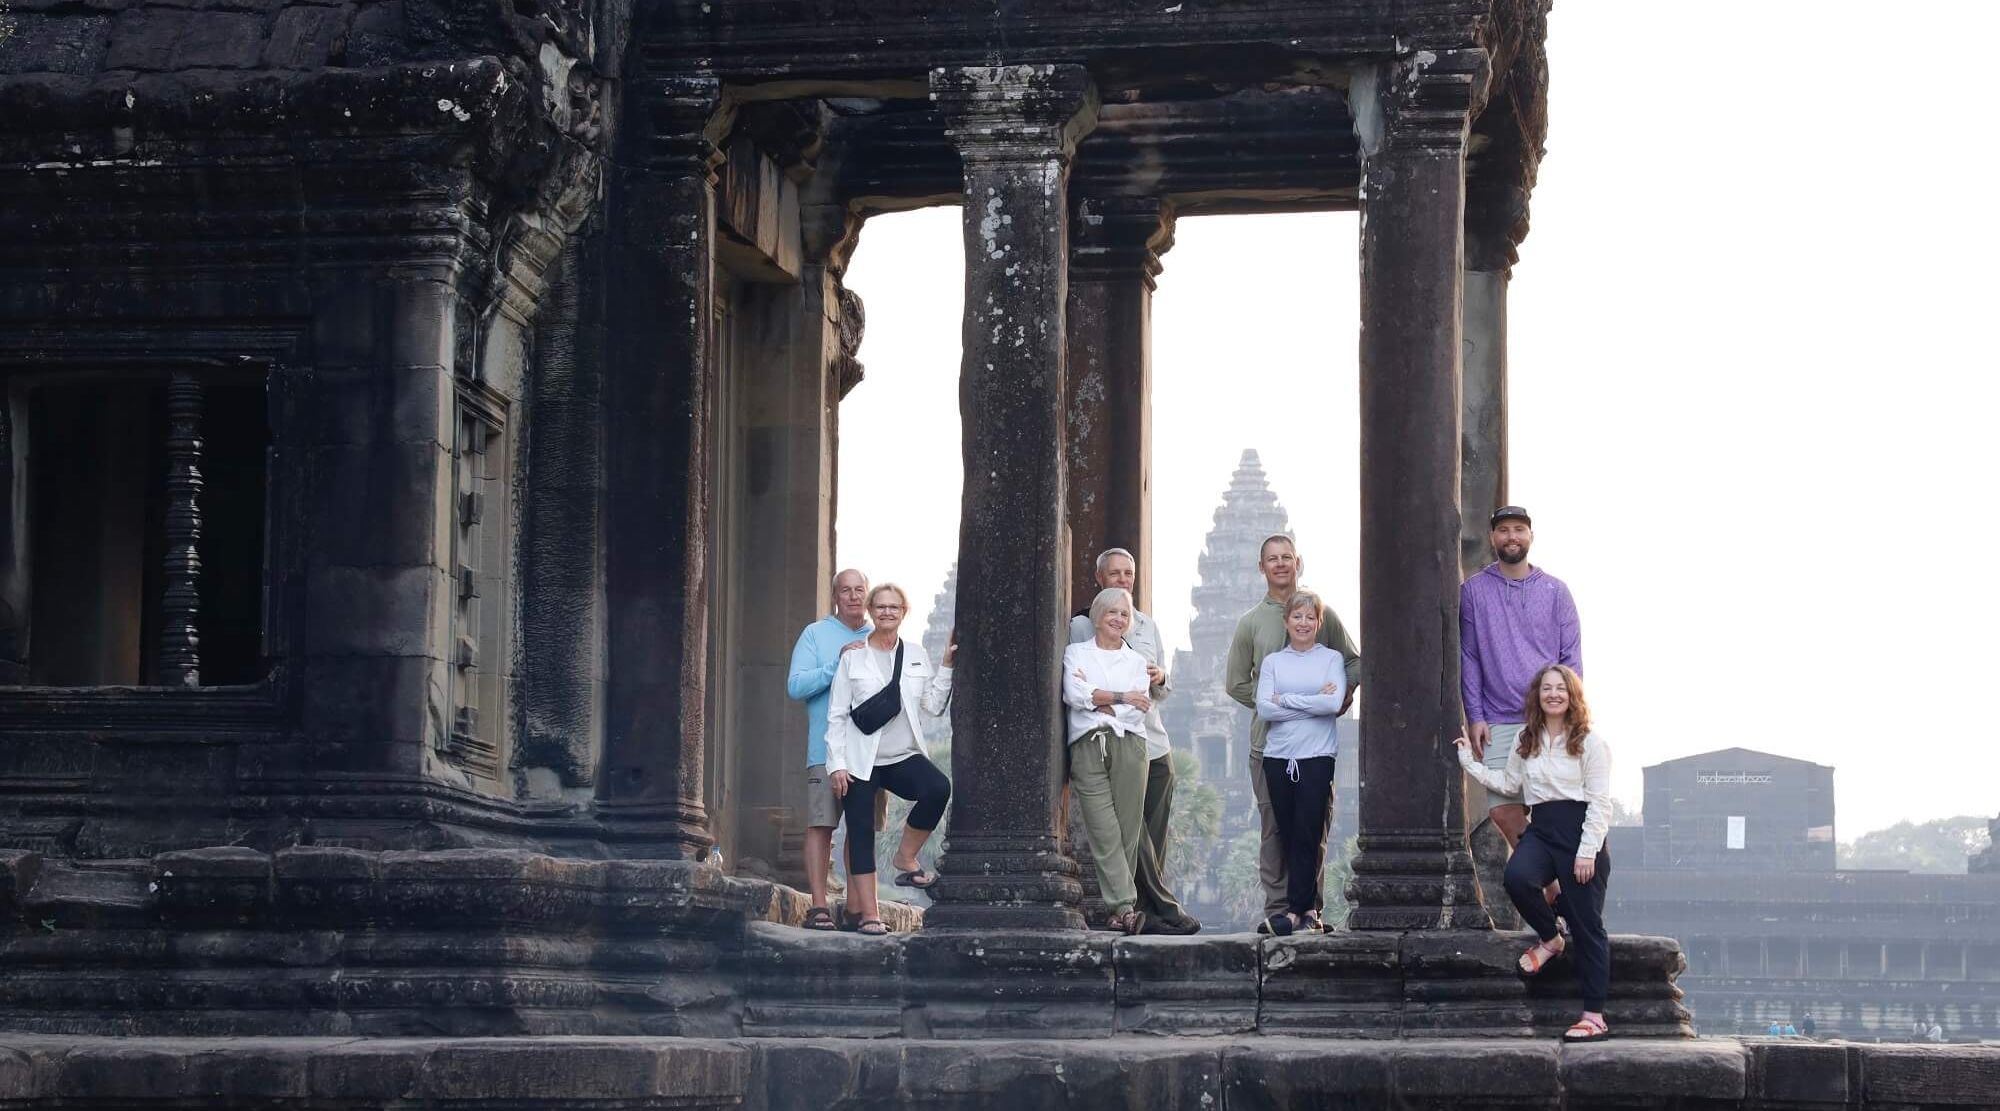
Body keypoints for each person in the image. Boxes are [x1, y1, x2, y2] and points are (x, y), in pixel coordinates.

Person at [1453, 663, 1613, 1043]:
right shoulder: (1527, 738)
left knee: (1587, 925)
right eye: (1546, 689)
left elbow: (1601, 803)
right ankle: (1551, 939)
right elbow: (1510, 784)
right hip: (1541, 827)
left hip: (1580, 833)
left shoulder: (1590, 742)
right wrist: (1469, 764)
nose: (1553, 694)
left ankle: (1594, 1016)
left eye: (1560, 688)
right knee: (1518, 878)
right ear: (1537, 697)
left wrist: (1587, 851)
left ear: (1572, 696)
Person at [1226, 534, 1362, 930]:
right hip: (1267, 744)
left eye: (1287, 557)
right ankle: (1278, 910)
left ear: (1298, 562)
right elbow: (1236, 684)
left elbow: (1352, 662)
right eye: (1272, 559)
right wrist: (1282, 705)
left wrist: (1340, 697)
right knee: (1275, 829)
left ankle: (1310, 910)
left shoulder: (1322, 611)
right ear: (1261, 567)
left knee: (1313, 826)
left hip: (1317, 746)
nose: (1281, 564)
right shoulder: (1251, 622)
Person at [1067, 548, 1200, 935]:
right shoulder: (1079, 630)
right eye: (1115, 573)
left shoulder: (1147, 627)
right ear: (1099, 578)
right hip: (1099, 741)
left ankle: (1145, 910)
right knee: (1127, 830)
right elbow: (1075, 689)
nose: (1123, 579)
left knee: (1150, 832)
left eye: (1129, 573)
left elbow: (1149, 693)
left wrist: (1154, 681)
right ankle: (1158, 907)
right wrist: (1116, 697)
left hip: (1149, 740)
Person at [1460, 506, 1582, 909]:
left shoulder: (1555, 591)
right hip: (1497, 715)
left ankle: (1561, 899)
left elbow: (1571, 658)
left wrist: (1569, 716)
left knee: (1552, 810)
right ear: (1493, 538)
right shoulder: (1474, 591)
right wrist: (1475, 715)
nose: (1511, 537)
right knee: (1505, 812)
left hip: (1549, 718)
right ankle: (1551, 889)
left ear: (1530, 536)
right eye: (1503, 531)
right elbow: (1470, 656)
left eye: (1519, 530)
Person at [824, 583, 954, 937]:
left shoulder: (914, 654)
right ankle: (869, 914)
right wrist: (836, 764)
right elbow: (836, 715)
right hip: (860, 760)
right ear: (870, 611)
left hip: (902, 755)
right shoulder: (853, 658)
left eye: (893, 607)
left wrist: (946, 666)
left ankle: (905, 857)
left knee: (937, 788)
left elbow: (932, 705)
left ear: (903, 612)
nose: (886, 612)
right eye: (879, 606)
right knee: (861, 832)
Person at [1063, 587, 1158, 934]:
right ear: (1098, 616)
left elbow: (1138, 710)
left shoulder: (1135, 661)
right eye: (1112, 612)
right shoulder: (1076, 653)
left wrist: (1100, 700)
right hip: (1088, 745)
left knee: (1128, 831)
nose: (1118, 619)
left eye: (1124, 614)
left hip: (1130, 745)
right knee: (1103, 829)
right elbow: (1074, 695)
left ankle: (1120, 913)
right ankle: (1125, 906)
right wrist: (1122, 696)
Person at [1253, 591, 1347, 935]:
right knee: (1288, 834)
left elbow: (1333, 703)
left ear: (1319, 623)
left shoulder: (1331, 658)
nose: (1303, 623)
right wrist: (1312, 700)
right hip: (1278, 756)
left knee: (1309, 831)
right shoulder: (1273, 663)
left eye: (1310, 618)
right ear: (1286, 622)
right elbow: (1265, 708)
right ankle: (1307, 912)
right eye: (1297, 617)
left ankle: (1296, 912)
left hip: (1317, 756)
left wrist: (1287, 701)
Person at [785, 569, 872, 931]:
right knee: (822, 824)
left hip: (870, 751)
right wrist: (837, 662)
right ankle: (818, 905)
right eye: (846, 591)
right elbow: (795, 686)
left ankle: (856, 906)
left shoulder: (879, 635)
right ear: (834, 597)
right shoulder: (815, 634)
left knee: (862, 829)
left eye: (860, 590)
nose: (853, 596)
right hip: (825, 750)